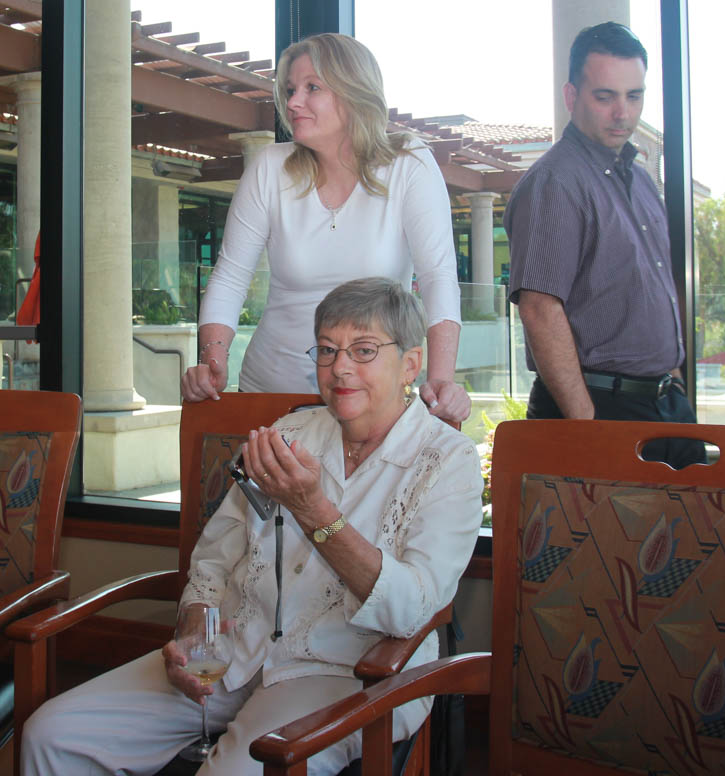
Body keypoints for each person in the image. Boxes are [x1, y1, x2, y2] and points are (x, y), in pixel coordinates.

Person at [22, 278, 485, 776]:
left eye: (364, 350)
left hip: (346, 673)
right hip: (235, 652)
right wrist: (195, 629)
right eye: (327, 350)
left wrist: (314, 510)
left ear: (410, 365)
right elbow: (213, 558)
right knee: (52, 735)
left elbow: (410, 610)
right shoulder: (287, 435)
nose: (340, 367)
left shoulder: (448, 462)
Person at [181, 33, 470, 423]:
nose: (293, 102)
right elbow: (231, 275)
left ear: (354, 93)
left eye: (311, 87)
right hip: (272, 393)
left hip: (370, 401)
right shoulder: (270, 167)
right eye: (290, 90)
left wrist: (441, 381)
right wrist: (212, 361)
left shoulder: (408, 163)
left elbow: (438, 276)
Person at [504, 22, 705, 469]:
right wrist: (587, 426)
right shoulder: (556, 182)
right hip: (597, 411)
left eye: (634, 96)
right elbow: (539, 308)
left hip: (662, 406)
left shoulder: (640, 178)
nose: (622, 113)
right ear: (572, 97)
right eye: (605, 96)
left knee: (685, 538)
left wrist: (672, 384)